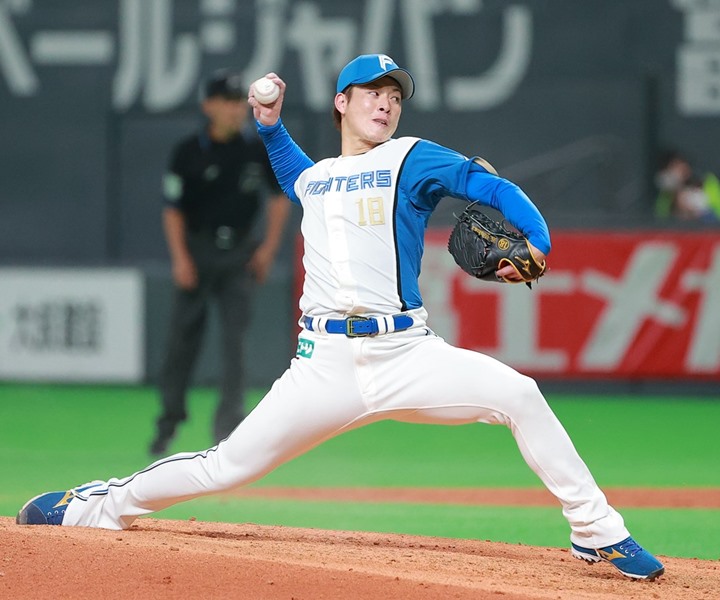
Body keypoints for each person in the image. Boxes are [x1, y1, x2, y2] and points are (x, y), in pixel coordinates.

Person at [17, 54, 664, 582]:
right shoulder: (318, 178)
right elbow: (293, 172)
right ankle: (93, 506)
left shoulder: (409, 156)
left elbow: (489, 187)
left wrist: (538, 238)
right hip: (322, 366)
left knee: (519, 394)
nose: (385, 103)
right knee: (226, 466)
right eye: (372, 92)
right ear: (342, 102)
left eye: (395, 95)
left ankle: (595, 529)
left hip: (407, 354)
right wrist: (270, 125)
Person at [149, 70, 291, 455]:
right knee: (181, 342)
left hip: (239, 254)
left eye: (238, 101)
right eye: (226, 101)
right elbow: (173, 209)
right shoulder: (188, 151)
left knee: (235, 344)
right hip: (197, 252)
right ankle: (169, 422)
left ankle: (229, 431)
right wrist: (180, 258)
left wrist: (268, 249)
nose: (234, 109)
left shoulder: (255, 150)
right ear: (209, 106)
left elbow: (279, 198)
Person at [654, 149, 720, 222]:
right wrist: (676, 201)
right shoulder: (667, 193)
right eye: (674, 167)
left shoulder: (707, 180)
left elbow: (717, 211)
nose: (680, 170)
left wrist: (698, 212)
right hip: (678, 227)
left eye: (681, 165)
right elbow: (660, 216)